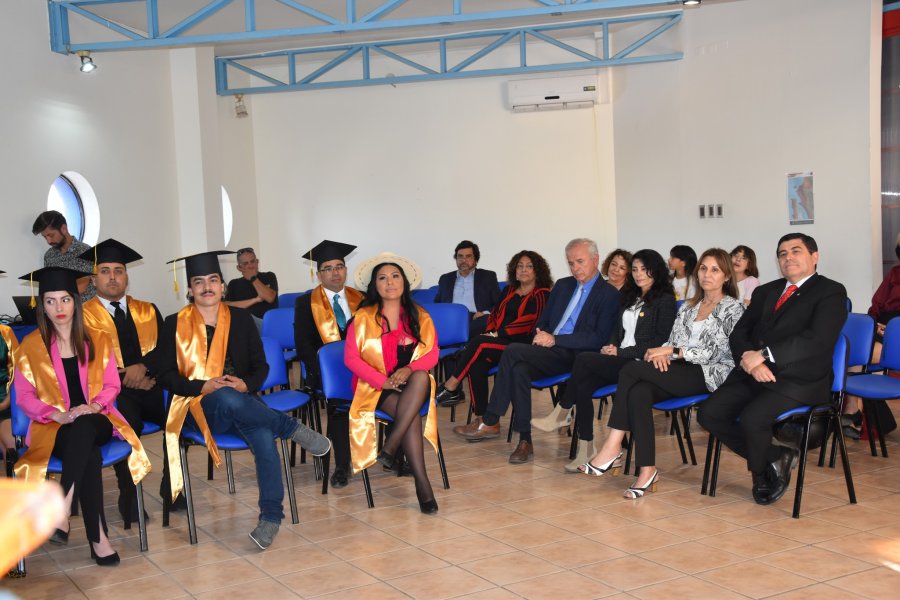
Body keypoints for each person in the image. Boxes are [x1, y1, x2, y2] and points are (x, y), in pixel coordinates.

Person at [157, 251, 331, 550]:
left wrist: (246, 383)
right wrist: (203, 385)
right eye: (199, 282)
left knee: (263, 438)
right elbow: (165, 375)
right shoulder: (174, 323)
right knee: (226, 395)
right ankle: (290, 428)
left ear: (223, 286)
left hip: (243, 404)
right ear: (190, 290)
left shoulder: (239, 319)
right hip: (196, 407)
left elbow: (260, 366)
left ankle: (270, 519)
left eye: (213, 280)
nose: (207, 287)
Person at [578, 248, 744, 498]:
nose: (707, 275)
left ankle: (612, 446)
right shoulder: (689, 307)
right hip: (680, 369)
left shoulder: (733, 308)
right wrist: (663, 353)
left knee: (631, 368)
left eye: (715, 270)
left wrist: (674, 351)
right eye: (703, 268)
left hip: (710, 374)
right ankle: (648, 471)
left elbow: (716, 352)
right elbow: (672, 340)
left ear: (727, 276)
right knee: (639, 392)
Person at [13, 266, 151, 566]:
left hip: (98, 417)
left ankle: (62, 504)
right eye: (50, 301)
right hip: (56, 426)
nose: (59, 308)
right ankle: (98, 538)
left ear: (75, 301)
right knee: (87, 452)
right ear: (42, 306)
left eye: (65, 299)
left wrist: (94, 406)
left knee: (86, 425)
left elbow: (112, 385)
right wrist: (54, 414)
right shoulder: (31, 346)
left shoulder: (98, 338)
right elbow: (24, 397)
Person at [698, 233, 847, 506]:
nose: (788, 257)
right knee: (709, 413)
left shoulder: (831, 292)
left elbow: (817, 340)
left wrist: (764, 356)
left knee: (753, 419)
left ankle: (760, 475)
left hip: (799, 380)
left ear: (814, 256)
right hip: (755, 373)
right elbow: (740, 332)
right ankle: (774, 457)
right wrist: (749, 359)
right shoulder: (766, 291)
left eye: (796, 251)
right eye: (782, 253)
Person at [455, 238, 621, 464]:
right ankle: (525, 440)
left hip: (577, 356)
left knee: (513, 351)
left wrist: (555, 339)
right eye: (571, 263)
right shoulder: (563, 285)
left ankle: (491, 418)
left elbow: (597, 338)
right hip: (549, 351)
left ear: (595, 259)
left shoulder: (609, 294)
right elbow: (542, 321)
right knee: (519, 370)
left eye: (580, 262)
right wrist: (542, 335)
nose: (575, 268)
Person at [532, 249, 677, 471]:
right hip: (619, 359)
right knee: (583, 382)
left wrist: (620, 352)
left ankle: (563, 410)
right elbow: (616, 331)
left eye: (644, 269)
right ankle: (586, 447)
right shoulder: (629, 296)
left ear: (656, 271)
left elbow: (659, 342)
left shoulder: (665, 300)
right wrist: (610, 347)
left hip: (640, 363)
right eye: (635, 269)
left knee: (584, 360)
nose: (638, 274)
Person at [78, 239, 177, 518]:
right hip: (113, 393)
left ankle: (172, 486)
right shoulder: (82, 316)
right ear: (94, 279)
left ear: (126, 277)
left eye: (118, 271)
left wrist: (144, 369)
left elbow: (167, 351)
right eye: (105, 271)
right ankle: (129, 495)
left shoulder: (148, 309)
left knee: (179, 416)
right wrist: (124, 377)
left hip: (152, 384)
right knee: (127, 425)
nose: (112, 277)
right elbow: (85, 363)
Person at [345, 252, 440, 513]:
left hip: (412, 384)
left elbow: (432, 354)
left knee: (420, 376)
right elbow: (351, 359)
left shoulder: (419, 315)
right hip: (375, 387)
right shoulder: (363, 318)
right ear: (374, 286)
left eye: (395, 276)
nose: (390, 282)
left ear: (404, 282)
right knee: (410, 415)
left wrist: (409, 368)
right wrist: (382, 381)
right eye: (382, 278)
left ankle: (391, 444)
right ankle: (422, 483)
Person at [434, 250, 553, 418]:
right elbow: (495, 315)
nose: (523, 270)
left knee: (479, 342)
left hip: (522, 345)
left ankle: (451, 385)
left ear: (537, 271)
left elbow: (530, 322)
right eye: (519, 266)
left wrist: (497, 334)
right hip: (499, 343)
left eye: (529, 266)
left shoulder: (542, 294)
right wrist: (491, 332)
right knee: (477, 363)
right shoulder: (509, 290)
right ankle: (483, 418)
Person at [294, 240, 363, 489]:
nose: (335, 273)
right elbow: (304, 346)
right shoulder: (306, 303)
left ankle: (395, 456)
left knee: (394, 392)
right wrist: (326, 373)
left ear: (346, 269)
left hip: (361, 370)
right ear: (319, 274)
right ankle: (342, 465)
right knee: (338, 404)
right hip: (326, 374)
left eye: (339, 267)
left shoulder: (361, 299)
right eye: (328, 268)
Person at [434, 240, 501, 337]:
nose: (463, 260)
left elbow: (499, 303)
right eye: (460, 256)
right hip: (451, 319)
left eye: (468, 256)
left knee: (487, 320)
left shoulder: (488, 277)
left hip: (476, 319)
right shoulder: (445, 279)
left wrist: (484, 313)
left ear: (476, 260)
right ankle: (459, 338)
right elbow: (437, 304)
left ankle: (456, 337)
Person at [31, 210, 95, 301]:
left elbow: (82, 284)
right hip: (59, 307)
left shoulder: (85, 251)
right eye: (45, 237)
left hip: (85, 307)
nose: (48, 241)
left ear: (64, 229)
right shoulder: (49, 255)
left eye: (51, 235)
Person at [225, 247, 278, 332]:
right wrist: (256, 300)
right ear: (239, 267)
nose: (250, 266)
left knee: (246, 318)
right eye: (245, 263)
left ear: (257, 262)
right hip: (242, 323)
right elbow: (226, 306)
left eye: (252, 261)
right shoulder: (234, 283)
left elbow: (269, 298)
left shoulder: (269, 276)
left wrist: (252, 278)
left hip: (266, 324)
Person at [1, 289, 19, 475]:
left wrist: (7, 400)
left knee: (12, 445)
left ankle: (12, 485)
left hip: (4, 402)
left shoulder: (5, 333)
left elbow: (19, 369)